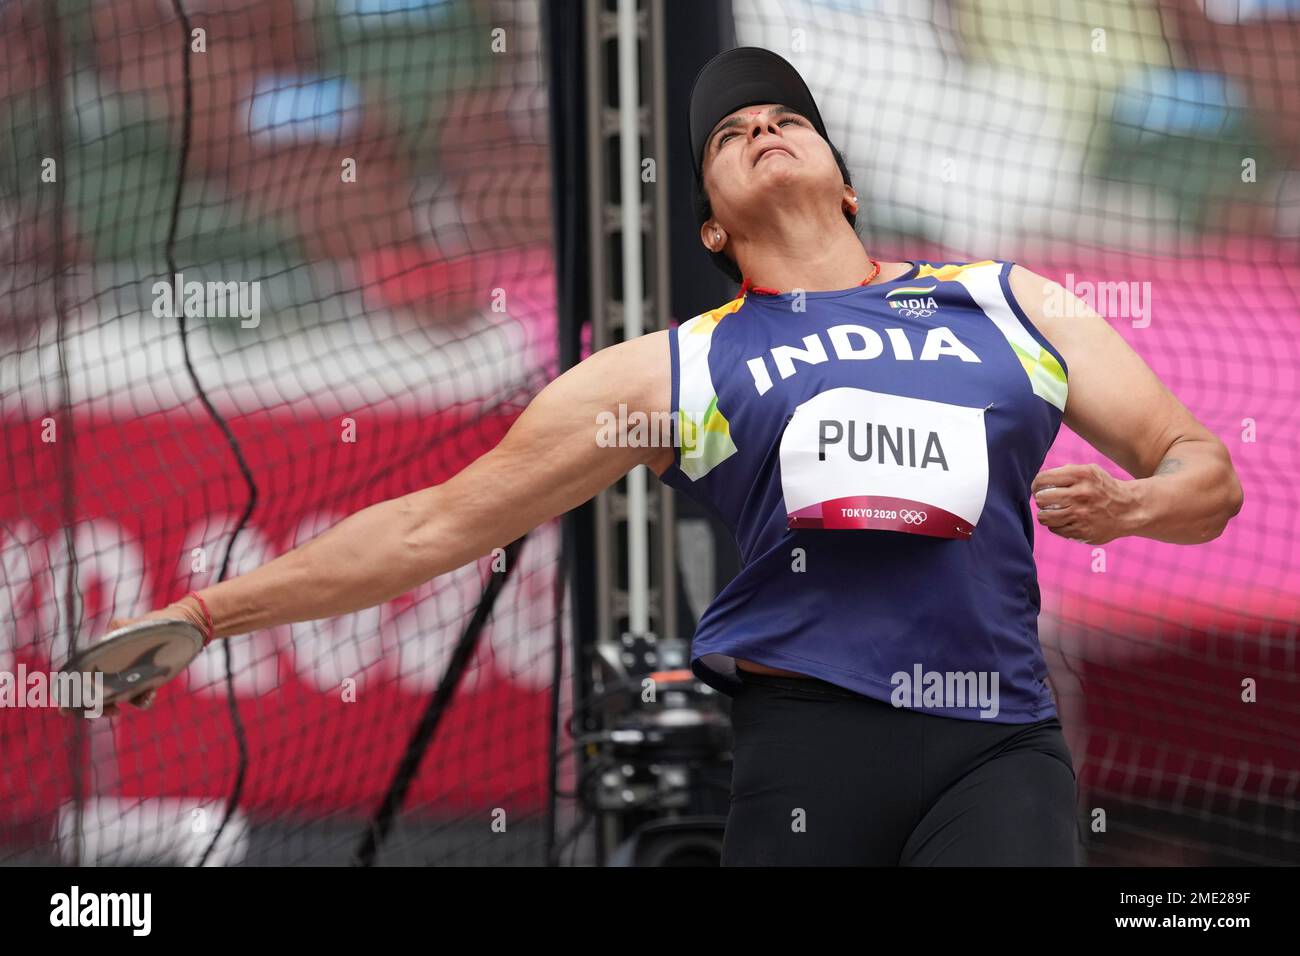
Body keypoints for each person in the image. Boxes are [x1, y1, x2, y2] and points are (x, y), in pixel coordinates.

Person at [91, 48, 1244, 865]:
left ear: (843, 179)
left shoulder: (1007, 303)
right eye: (732, 135)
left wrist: (1139, 505)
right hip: (808, 758)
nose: (761, 128)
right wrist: (209, 609)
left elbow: (1205, 468)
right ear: (709, 223)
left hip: (1001, 743)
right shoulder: (671, 372)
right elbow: (436, 524)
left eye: (787, 119)